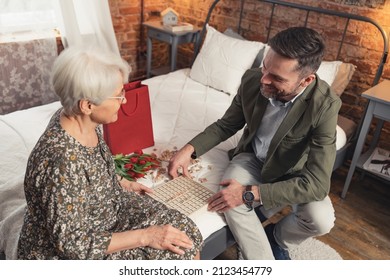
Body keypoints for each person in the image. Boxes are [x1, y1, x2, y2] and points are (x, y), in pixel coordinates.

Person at [168, 27, 341, 260]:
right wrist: (188, 150)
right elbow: (227, 125)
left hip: (294, 172)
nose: (264, 79)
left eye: (277, 77)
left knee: (321, 221)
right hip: (252, 159)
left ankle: (277, 238)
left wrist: (250, 194)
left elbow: (318, 185)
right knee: (228, 197)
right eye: (265, 67)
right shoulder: (252, 80)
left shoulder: (325, 106)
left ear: (306, 80)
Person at [17, 46, 203, 260]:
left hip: (104, 210)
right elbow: (73, 245)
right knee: (179, 253)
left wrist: (120, 182)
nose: (123, 101)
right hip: (75, 248)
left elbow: (88, 169)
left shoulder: (79, 119)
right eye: (117, 95)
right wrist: (146, 236)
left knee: (184, 232)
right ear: (87, 105)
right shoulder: (60, 161)